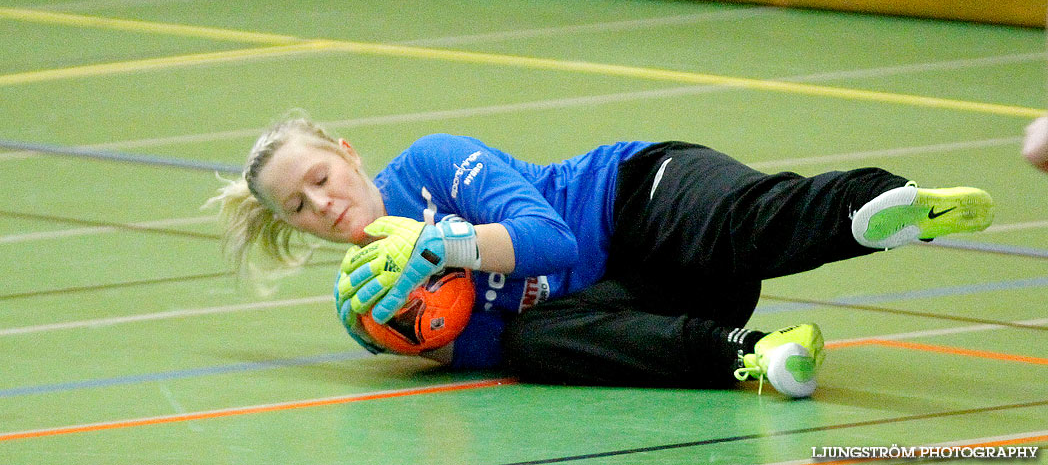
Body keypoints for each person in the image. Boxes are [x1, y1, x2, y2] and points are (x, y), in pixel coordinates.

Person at [209, 115, 994, 398]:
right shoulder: (369, 302)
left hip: (634, 196)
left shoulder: (431, 164)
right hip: (652, 300)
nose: (324, 206)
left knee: (737, 225)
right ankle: (756, 356)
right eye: (299, 209)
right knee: (531, 344)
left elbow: (552, 241)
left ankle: (878, 210)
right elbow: (487, 342)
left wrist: (440, 244)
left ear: (347, 154)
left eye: (320, 178)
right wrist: (430, 329)